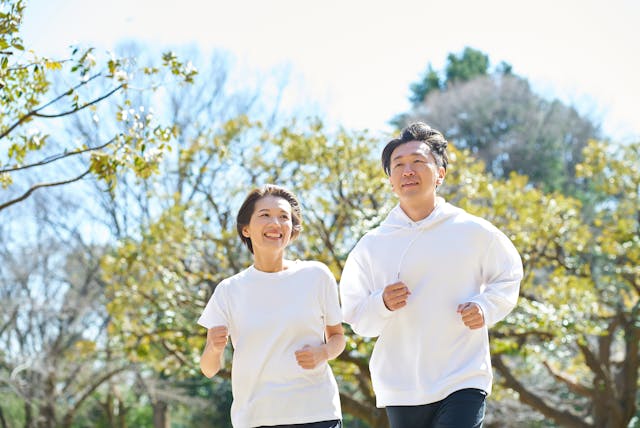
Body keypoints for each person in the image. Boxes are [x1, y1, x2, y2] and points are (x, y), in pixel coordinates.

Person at [339, 122, 523, 428]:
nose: (407, 170)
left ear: (440, 174)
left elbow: (508, 275)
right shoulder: (372, 245)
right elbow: (356, 316)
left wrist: (485, 307)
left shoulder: (472, 230)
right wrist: (382, 303)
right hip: (401, 385)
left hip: (462, 376)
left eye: (418, 162)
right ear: (390, 180)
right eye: (398, 165)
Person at [198, 184, 345, 428]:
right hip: (256, 418)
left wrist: (324, 353)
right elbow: (208, 369)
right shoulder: (229, 290)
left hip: (316, 413)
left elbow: (338, 337)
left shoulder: (316, 275)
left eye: (284, 217)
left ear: (292, 230)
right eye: (265, 215)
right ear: (246, 229)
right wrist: (214, 348)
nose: (276, 223)